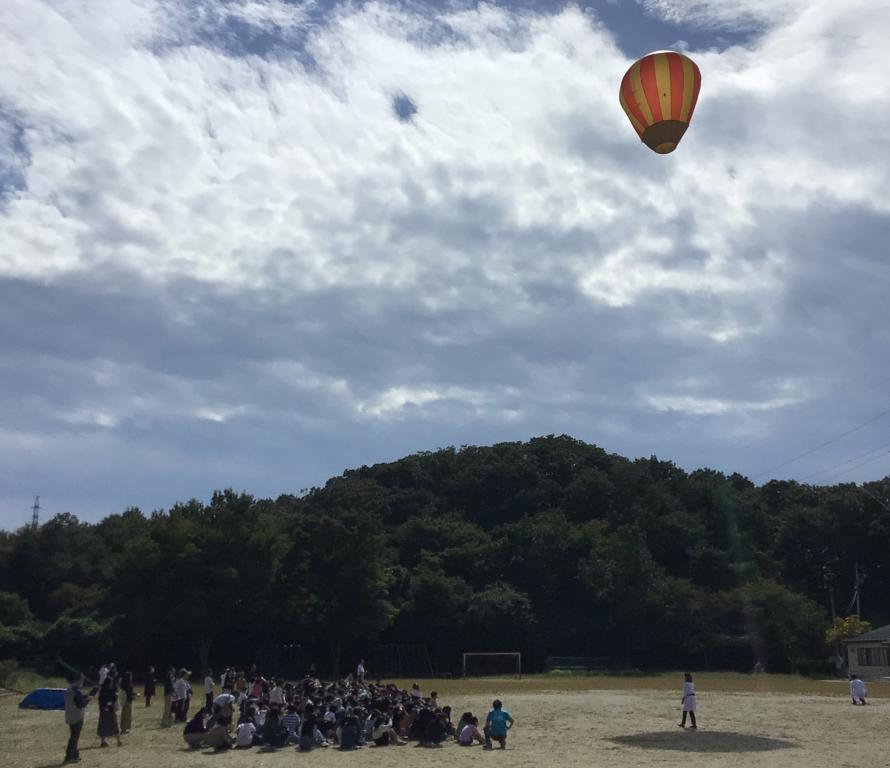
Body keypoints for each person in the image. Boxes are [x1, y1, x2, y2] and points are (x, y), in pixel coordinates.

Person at [63, 673, 94, 763]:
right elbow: (81, 704)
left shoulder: (69, 689)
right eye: (81, 681)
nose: (82, 683)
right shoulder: (76, 691)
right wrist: (88, 699)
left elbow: (77, 699)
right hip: (77, 717)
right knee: (74, 737)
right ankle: (69, 757)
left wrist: (85, 696)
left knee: (74, 736)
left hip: (70, 715)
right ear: (78, 681)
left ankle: (75, 755)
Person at [96, 675, 122, 747]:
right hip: (110, 710)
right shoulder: (111, 691)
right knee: (114, 724)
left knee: (103, 725)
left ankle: (103, 741)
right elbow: (114, 699)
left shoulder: (102, 691)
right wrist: (116, 695)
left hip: (103, 710)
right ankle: (118, 741)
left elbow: (100, 700)